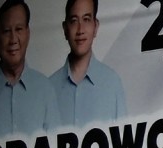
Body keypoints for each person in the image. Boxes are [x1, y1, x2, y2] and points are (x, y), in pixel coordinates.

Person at [0, 1, 62, 148]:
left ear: (28, 34)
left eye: (19, 29)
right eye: (6, 31)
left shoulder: (46, 91)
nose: (13, 39)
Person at [49, 0, 126, 128]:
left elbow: (124, 143)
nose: (80, 30)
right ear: (65, 29)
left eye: (86, 19)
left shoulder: (112, 84)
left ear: (95, 27)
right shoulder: (48, 89)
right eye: (74, 21)